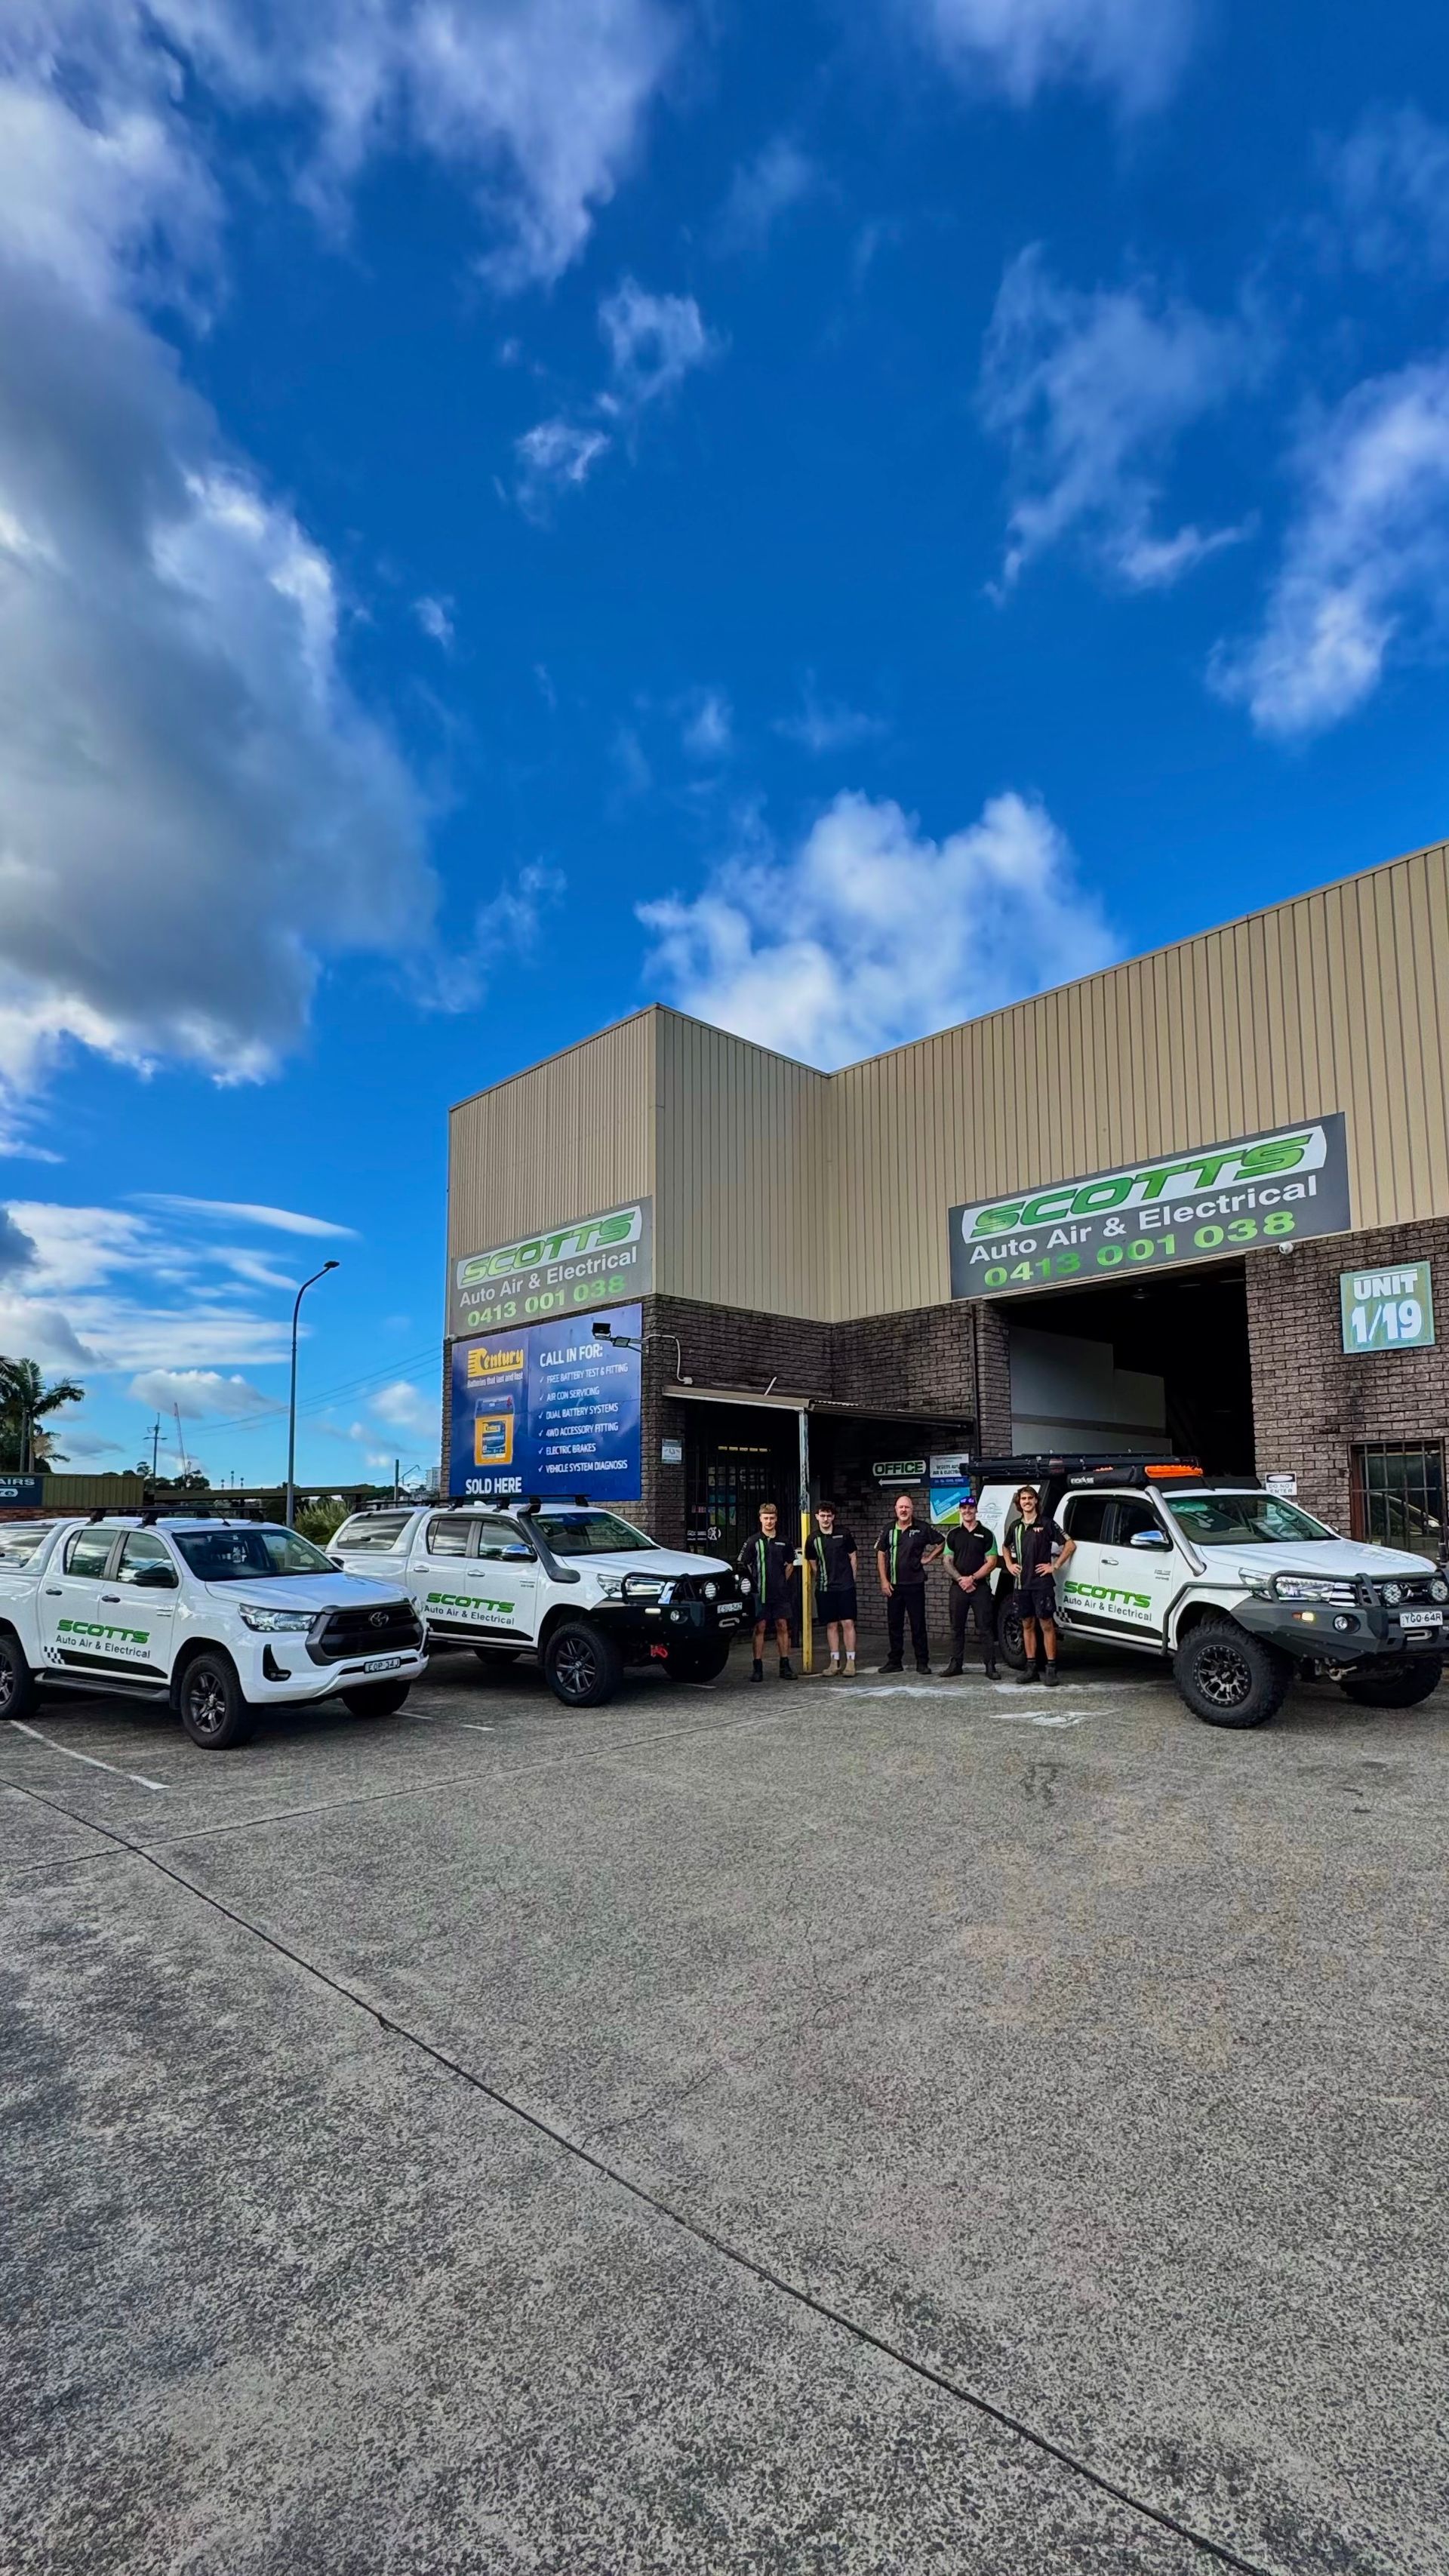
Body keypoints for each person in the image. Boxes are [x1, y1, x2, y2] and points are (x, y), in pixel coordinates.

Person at [1001, 1483, 1074, 1688]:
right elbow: (1005, 1546)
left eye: (1030, 1498)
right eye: (1023, 1499)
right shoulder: (1015, 1526)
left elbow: (1070, 1545)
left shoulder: (1047, 1524)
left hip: (1042, 1584)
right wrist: (1009, 1564)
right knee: (1027, 1625)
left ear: (1036, 1501)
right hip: (1021, 1584)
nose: (1027, 1502)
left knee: (1047, 1625)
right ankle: (1031, 1668)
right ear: (1019, 1503)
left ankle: (1051, 1668)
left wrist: (1055, 1566)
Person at [875, 1491, 944, 1673]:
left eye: (907, 1507)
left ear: (912, 1510)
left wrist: (929, 1558)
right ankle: (895, 1661)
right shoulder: (889, 1529)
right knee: (894, 1625)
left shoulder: (922, 1528)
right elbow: (881, 1554)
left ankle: (922, 1662)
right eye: (900, 1507)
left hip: (915, 1585)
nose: (903, 1510)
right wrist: (883, 1580)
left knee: (918, 1625)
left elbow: (941, 1542)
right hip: (893, 1586)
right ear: (895, 1509)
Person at [738, 1500, 797, 1682]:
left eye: (772, 1518)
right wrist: (754, 1584)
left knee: (782, 1626)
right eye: (766, 1518)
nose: (769, 1522)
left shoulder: (784, 1541)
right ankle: (757, 1667)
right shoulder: (753, 1541)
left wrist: (781, 1581)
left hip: (780, 1593)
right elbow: (743, 1564)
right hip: (760, 1593)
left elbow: (790, 1564)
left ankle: (785, 1665)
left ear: (776, 1519)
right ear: (761, 1519)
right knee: (760, 1627)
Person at [942, 1494, 1000, 1678]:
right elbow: (946, 1560)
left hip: (980, 1588)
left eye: (971, 1508)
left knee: (985, 1628)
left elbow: (992, 1562)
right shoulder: (953, 1534)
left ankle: (990, 1666)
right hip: (958, 1588)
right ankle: (956, 1664)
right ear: (960, 1510)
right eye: (964, 1508)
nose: (967, 1511)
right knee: (956, 1628)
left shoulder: (987, 1534)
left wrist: (972, 1579)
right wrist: (961, 1580)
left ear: (976, 1510)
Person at [809, 1502, 858, 1676]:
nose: (825, 1519)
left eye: (829, 1515)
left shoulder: (844, 1534)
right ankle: (834, 1662)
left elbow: (853, 1556)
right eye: (822, 1515)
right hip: (825, 1587)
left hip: (845, 1586)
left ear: (833, 1517)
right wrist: (822, 1578)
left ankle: (850, 1662)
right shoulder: (813, 1539)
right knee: (831, 1625)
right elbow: (813, 1563)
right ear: (817, 1517)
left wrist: (851, 1579)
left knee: (847, 1623)